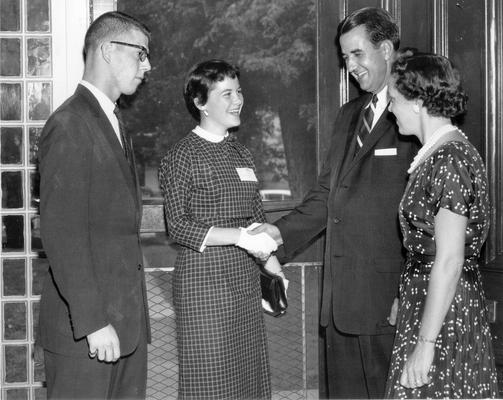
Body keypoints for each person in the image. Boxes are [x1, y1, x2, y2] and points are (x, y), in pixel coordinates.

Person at [252, 7, 419, 398]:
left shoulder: (416, 111)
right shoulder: (348, 115)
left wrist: (410, 294)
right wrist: (278, 232)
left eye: (358, 54)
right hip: (339, 307)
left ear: (387, 49)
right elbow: (328, 194)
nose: (351, 67)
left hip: (389, 306)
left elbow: (428, 218)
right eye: (345, 58)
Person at [38, 11, 152, 399]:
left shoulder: (113, 121)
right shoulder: (70, 123)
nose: (147, 66)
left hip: (124, 330)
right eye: (141, 54)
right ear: (107, 50)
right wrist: (93, 323)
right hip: (87, 335)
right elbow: (61, 234)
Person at [158, 59, 283, 399]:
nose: (237, 100)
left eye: (238, 91)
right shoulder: (181, 155)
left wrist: (274, 269)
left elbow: (257, 218)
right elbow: (179, 226)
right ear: (200, 103)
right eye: (226, 93)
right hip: (204, 285)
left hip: (244, 280)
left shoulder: (242, 154)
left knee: (248, 380)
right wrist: (240, 237)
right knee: (210, 380)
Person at [384, 52, 498, 398]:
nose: (390, 109)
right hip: (433, 304)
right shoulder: (441, 154)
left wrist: (425, 342)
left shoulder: (450, 158)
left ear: (418, 102)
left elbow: (449, 259)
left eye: (394, 100)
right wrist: (406, 294)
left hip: (445, 313)